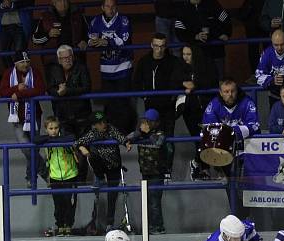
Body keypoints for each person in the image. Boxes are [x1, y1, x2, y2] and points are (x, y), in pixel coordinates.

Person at [199, 78, 260, 214]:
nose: (230, 94)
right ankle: (237, 219)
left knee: (243, 189)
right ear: (220, 93)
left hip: (245, 151)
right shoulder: (214, 105)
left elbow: (254, 126)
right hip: (223, 154)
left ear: (237, 91)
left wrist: (229, 132)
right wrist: (230, 132)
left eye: (232, 91)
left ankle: (245, 219)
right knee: (230, 189)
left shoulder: (247, 102)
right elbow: (209, 128)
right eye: (226, 91)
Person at [133, 32, 186, 175]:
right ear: (151, 45)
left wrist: (173, 98)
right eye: (156, 46)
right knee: (150, 138)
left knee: (168, 139)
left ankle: (167, 170)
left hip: (168, 107)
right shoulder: (144, 61)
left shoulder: (174, 62)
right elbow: (137, 82)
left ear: (166, 46)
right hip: (150, 108)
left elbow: (180, 82)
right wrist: (144, 97)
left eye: (162, 46)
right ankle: (152, 169)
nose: (159, 49)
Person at [74, 111, 133, 232]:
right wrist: (82, 147)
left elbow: (121, 137)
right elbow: (77, 142)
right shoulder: (92, 133)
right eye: (100, 123)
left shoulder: (111, 129)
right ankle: (93, 224)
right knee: (92, 157)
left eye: (104, 121)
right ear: (95, 125)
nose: (103, 124)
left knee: (112, 195)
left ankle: (109, 224)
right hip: (101, 166)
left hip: (114, 166)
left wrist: (127, 143)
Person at [0, 49, 48, 185]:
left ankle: (30, 178)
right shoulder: (8, 74)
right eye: (22, 62)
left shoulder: (35, 72)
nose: (26, 64)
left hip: (35, 116)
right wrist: (16, 88)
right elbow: (2, 92)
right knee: (26, 148)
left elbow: (40, 89)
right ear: (16, 63)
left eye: (27, 61)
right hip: (18, 119)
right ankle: (46, 173)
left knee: (33, 148)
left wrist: (19, 94)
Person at [88, 0, 136, 135]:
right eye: (108, 6)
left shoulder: (123, 20)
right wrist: (93, 42)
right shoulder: (95, 21)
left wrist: (107, 41)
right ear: (102, 7)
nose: (111, 9)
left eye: (113, 6)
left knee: (123, 101)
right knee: (109, 102)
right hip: (106, 68)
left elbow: (124, 40)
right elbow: (90, 39)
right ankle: (111, 131)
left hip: (123, 66)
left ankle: (125, 132)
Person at [126, 109, 171, 234]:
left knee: (154, 202)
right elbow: (128, 137)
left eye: (150, 121)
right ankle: (149, 227)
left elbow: (158, 142)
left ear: (157, 123)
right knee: (147, 201)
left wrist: (147, 133)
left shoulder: (160, 133)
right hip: (145, 172)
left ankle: (157, 228)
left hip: (157, 173)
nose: (147, 123)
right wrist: (140, 132)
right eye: (146, 121)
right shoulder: (141, 133)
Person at [40, 116, 80, 236]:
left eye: (56, 128)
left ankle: (68, 226)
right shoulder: (46, 141)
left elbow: (73, 138)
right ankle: (60, 226)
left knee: (69, 202)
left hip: (70, 175)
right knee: (58, 204)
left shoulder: (66, 139)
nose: (53, 131)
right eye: (50, 128)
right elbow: (35, 140)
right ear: (46, 129)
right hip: (55, 177)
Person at [174, 0, 232, 79]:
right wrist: (195, 36)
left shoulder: (213, 4)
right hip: (195, 55)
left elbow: (227, 22)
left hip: (216, 52)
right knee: (197, 83)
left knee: (219, 81)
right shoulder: (183, 8)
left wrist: (218, 34)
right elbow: (179, 33)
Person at [46, 45, 92, 139]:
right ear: (59, 60)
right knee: (68, 146)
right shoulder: (53, 69)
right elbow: (50, 89)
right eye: (64, 58)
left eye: (69, 57)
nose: (67, 60)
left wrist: (67, 91)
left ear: (73, 57)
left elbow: (86, 87)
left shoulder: (81, 67)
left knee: (84, 144)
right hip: (62, 115)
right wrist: (58, 92)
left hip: (81, 114)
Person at [176, 43, 218, 139]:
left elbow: (212, 81)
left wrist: (195, 85)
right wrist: (183, 84)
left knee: (210, 136)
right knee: (196, 136)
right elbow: (173, 81)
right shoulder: (179, 65)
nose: (185, 57)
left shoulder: (207, 64)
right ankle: (198, 153)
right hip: (189, 108)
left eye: (188, 54)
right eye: (184, 54)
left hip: (207, 106)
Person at [0, 0, 34, 69]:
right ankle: (12, 76)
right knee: (4, 54)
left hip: (20, 24)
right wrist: (2, 4)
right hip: (4, 24)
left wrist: (12, 4)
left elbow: (29, 2)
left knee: (20, 55)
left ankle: (21, 77)